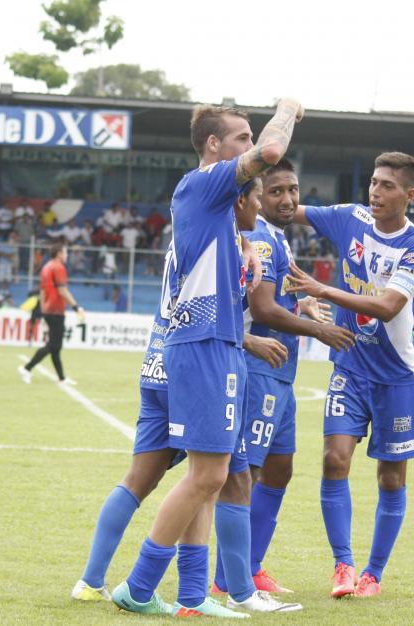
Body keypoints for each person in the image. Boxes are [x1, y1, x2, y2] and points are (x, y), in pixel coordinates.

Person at [111, 98, 304, 618]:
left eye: (246, 135)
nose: (248, 147)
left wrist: (242, 244)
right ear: (214, 146)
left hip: (214, 346)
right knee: (209, 477)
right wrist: (287, 109)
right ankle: (139, 586)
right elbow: (271, 148)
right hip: (202, 346)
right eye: (237, 137)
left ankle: (194, 597)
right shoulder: (205, 180)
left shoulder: (219, 206)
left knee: (206, 474)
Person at [75, 181, 295, 614]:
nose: (260, 206)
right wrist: (249, 340)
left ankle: (93, 581)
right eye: (255, 198)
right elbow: (208, 310)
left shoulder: (194, 232)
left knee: (144, 479)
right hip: (198, 367)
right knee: (220, 477)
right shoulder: (217, 236)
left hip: (158, 361)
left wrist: (244, 241)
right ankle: (221, 590)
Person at [286, 151, 414, 599]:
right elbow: (285, 209)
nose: (375, 191)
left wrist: (322, 289)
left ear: (408, 194)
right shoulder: (350, 218)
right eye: (373, 182)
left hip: (396, 378)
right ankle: (343, 566)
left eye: (387, 185)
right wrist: (239, 190)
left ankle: (373, 573)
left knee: (391, 478)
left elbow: (389, 306)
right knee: (334, 459)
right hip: (349, 366)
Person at [211, 159, 354, 599]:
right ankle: (226, 577)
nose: (287, 199)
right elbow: (263, 307)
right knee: (247, 472)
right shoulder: (259, 237)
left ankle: (251, 567)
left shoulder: (277, 238)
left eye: (292, 190)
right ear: (257, 197)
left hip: (281, 373)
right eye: (275, 192)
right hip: (259, 371)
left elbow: (278, 297)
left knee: (279, 469)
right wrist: (319, 329)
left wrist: (304, 306)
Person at [18, 242, 84, 385]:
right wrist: (76, 306)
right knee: (53, 345)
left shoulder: (46, 267)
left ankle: (61, 378)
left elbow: (42, 291)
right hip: (56, 310)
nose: (67, 255)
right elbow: (62, 291)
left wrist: (43, 309)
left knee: (56, 346)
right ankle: (27, 368)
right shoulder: (58, 267)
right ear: (59, 253)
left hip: (48, 309)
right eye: (65, 252)